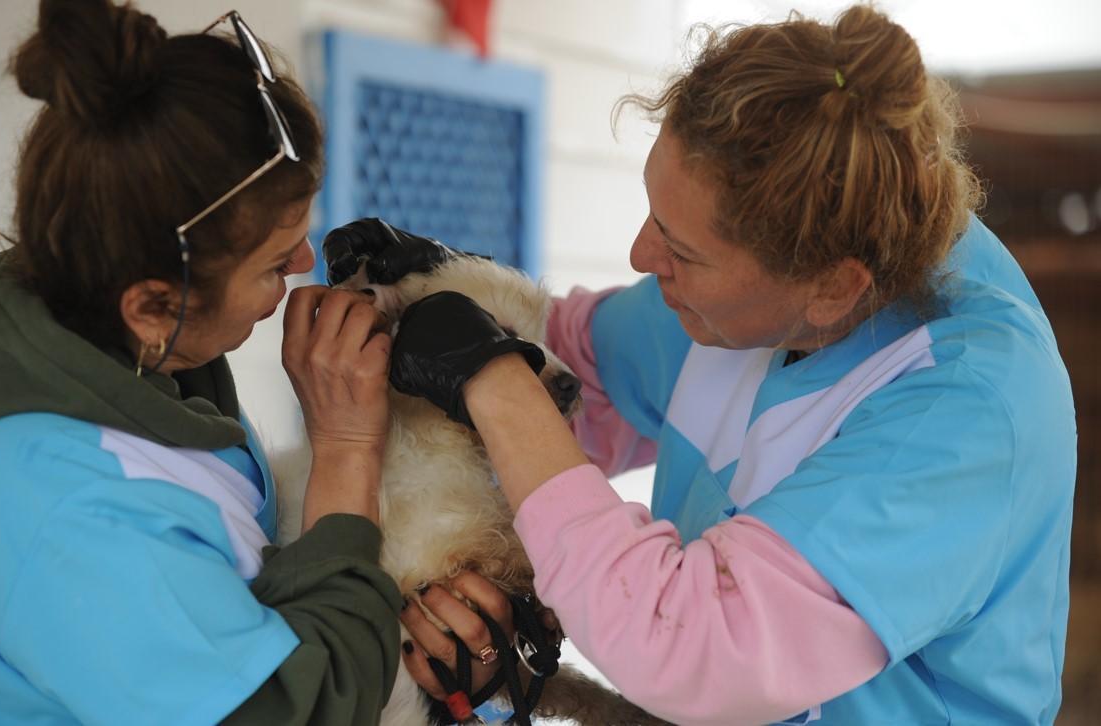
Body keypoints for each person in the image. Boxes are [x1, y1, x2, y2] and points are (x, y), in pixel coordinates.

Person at [322, 5, 1076, 724]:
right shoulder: (750, 289)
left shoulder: (963, 415)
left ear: (832, 288)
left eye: (680, 251)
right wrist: (457, 289)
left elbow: (691, 643)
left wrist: (492, 374)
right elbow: (581, 377)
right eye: (655, 214)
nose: (642, 259)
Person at [0, 1, 402, 723]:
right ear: (151, 305)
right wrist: (347, 451)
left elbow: (242, 577)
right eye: (277, 262)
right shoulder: (66, 507)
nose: (306, 267)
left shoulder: (127, 373)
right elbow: (300, 710)